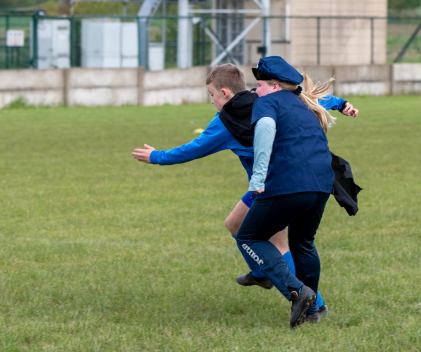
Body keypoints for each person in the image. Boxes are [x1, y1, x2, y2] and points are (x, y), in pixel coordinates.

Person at [132, 63, 357, 316]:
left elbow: (192, 149)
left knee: (277, 245)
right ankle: (263, 274)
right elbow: (310, 97)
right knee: (234, 224)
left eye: (212, 95)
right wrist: (340, 103)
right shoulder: (267, 96)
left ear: (225, 93)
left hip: (277, 185)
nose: (212, 101)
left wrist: (156, 156)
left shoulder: (224, 121)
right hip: (292, 179)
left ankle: (314, 305)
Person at [236, 56, 339, 328]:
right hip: (321, 184)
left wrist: (258, 178)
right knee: (303, 244)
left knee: (249, 236)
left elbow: (266, 129)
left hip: (289, 184)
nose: (254, 91)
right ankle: (312, 311)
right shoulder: (304, 104)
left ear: (273, 85)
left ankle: (297, 291)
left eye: (258, 85)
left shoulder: (267, 102)